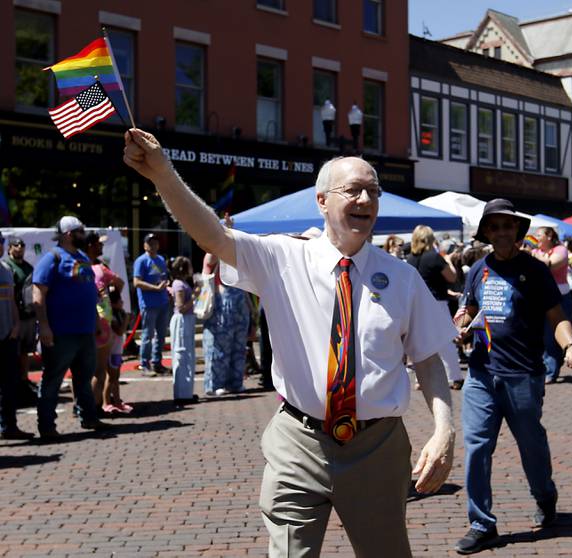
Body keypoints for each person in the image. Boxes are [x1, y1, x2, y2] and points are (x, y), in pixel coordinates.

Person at [123, 128, 456, 558]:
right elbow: (214, 238)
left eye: (373, 192)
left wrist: (444, 430)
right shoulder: (282, 257)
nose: (366, 201)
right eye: (353, 190)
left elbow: (428, 358)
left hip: (378, 447)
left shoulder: (402, 277)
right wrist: (164, 175)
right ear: (322, 201)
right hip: (300, 441)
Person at [452, 199, 572, 555]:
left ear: (517, 231)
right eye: (494, 227)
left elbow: (556, 317)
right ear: (487, 233)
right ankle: (482, 523)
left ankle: (545, 497)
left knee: (532, 448)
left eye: (507, 226)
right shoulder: (477, 269)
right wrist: (463, 328)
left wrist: (569, 345)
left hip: (523, 375)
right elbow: (470, 313)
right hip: (481, 374)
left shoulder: (535, 270)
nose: (501, 232)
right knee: (477, 447)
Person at [33, 216, 109, 440]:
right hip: (61, 332)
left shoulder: (83, 257)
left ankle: (89, 417)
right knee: (52, 379)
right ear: (68, 234)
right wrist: (44, 327)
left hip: (84, 330)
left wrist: (95, 320)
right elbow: (39, 294)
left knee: (84, 377)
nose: (83, 233)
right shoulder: (52, 259)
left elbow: (90, 291)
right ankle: (47, 426)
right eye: (79, 230)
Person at [406, 225, 463, 389]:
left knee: (421, 342)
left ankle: (420, 379)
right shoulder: (434, 257)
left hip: (416, 304)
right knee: (445, 340)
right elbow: (452, 277)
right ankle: (455, 377)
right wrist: (449, 261)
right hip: (436, 302)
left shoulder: (411, 258)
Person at [201, 253, 250, 396]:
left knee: (239, 346)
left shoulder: (238, 252)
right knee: (219, 346)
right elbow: (210, 260)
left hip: (239, 300)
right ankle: (215, 384)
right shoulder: (215, 251)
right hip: (221, 300)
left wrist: (249, 306)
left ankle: (235, 382)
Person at [85, 232, 124, 410]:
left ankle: (81, 407)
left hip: (82, 320)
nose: (101, 247)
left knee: (82, 371)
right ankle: (93, 409)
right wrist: (110, 296)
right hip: (101, 320)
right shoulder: (100, 268)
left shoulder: (77, 265)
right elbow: (120, 282)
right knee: (99, 371)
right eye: (99, 244)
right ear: (91, 246)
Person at [0, 232, 31, 440]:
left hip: (8, 335)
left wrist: (16, 323)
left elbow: (11, 299)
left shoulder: (5, 270)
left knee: (9, 383)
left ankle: (9, 426)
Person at [531, 227, 572, 383]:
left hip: (560, 298)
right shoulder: (537, 252)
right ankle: (552, 365)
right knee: (543, 336)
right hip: (540, 298)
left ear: (549, 237)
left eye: (539, 235)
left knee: (551, 336)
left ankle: (550, 371)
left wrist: (531, 255)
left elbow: (550, 264)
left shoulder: (560, 250)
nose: (536, 238)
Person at [133, 233, 170, 376]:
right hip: (148, 304)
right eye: (150, 243)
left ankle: (157, 363)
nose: (153, 245)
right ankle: (144, 364)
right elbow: (136, 282)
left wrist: (166, 288)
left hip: (163, 302)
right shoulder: (141, 261)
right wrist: (155, 288)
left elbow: (164, 278)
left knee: (161, 336)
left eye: (155, 242)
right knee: (148, 335)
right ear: (144, 245)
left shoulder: (161, 259)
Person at [2, 237, 36, 384]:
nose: (20, 247)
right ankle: (14, 381)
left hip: (28, 315)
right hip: (12, 317)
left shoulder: (29, 267)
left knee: (26, 351)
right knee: (12, 352)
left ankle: (24, 380)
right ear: (9, 248)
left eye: (22, 245)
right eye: (16, 245)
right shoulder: (6, 267)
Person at [169, 256, 198, 404]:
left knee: (187, 355)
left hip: (187, 320)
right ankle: (181, 394)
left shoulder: (182, 283)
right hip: (182, 321)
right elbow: (181, 307)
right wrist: (194, 297)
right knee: (181, 355)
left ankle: (186, 392)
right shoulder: (179, 284)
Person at [104, 286, 132, 414]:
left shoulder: (119, 314)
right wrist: (126, 320)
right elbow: (120, 331)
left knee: (116, 378)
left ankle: (117, 401)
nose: (122, 302)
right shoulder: (112, 317)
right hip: (111, 351)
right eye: (120, 300)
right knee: (110, 377)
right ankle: (106, 402)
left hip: (117, 351)